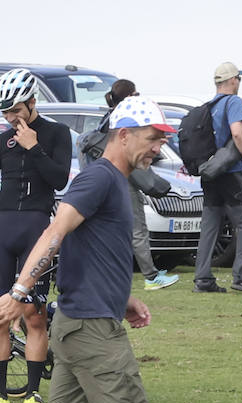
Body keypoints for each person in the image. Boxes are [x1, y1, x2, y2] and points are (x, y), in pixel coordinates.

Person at [0, 97, 242, 403]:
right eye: (152, 140)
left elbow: (94, 250)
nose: (157, 150)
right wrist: (19, 292)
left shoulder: (113, 181)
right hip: (89, 327)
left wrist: (123, 297)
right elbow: (56, 232)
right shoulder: (98, 178)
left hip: (81, 318)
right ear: (123, 135)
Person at [0, 68, 72, 403]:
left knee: (34, 314)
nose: (11, 118)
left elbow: (59, 181)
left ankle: (32, 391)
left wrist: (35, 148)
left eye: (15, 111)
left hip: (36, 228)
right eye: (5, 113)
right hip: (2, 229)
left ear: (31, 101)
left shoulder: (57, 134)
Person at [97, 79, 179, 293]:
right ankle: (151, 276)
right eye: (152, 139)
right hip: (127, 182)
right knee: (136, 229)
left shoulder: (107, 120)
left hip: (119, 179)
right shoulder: (125, 120)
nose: (155, 149)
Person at [192, 62, 242, 295]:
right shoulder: (233, 102)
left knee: (210, 225)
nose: (239, 83)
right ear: (233, 80)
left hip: (210, 174)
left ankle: (203, 279)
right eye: (239, 79)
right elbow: (237, 133)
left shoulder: (208, 107)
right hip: (230, 173)